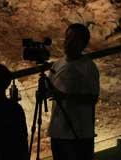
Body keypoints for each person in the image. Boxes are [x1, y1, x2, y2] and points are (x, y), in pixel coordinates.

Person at [48, 23, 100, 160]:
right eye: (67, 37)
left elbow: (92, 99)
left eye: (73, 39)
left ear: (83, 44)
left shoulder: (89, 67)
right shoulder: (57, 64)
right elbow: (52, 92)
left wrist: (64, 96)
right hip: (58, 132)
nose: (67, 42)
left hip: (79, 134)